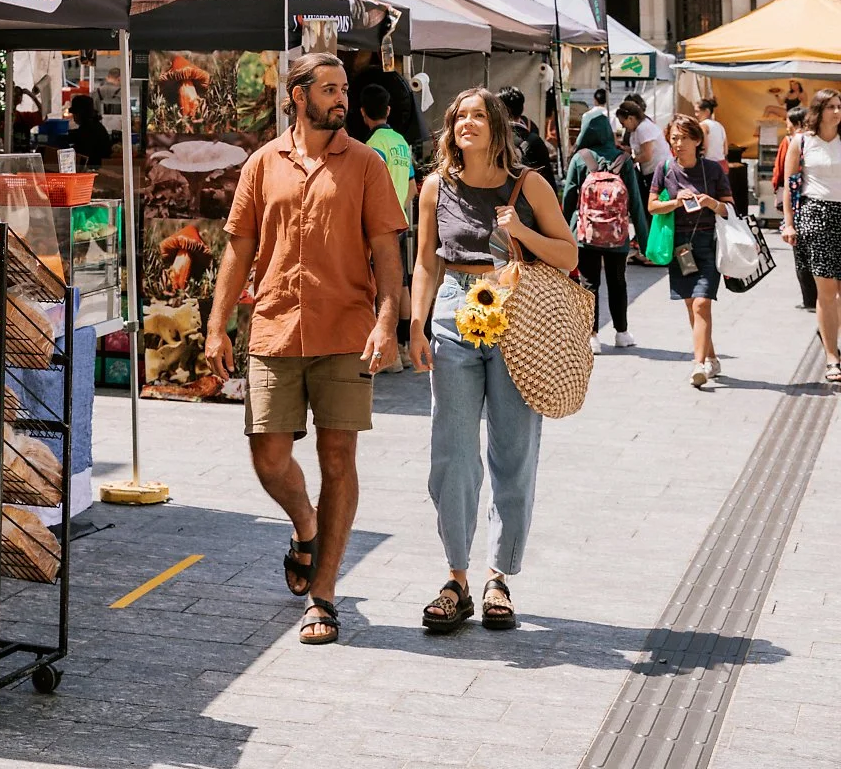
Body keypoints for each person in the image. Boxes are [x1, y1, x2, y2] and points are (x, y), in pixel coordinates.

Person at [205, 52, 406, 645]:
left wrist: (386, 322)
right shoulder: (263, 163)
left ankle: (323, 594)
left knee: (337, 459)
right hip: (272, 325)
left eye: (344, 88)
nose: (340, 98)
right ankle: (305, 524)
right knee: (267, 456)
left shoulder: (367, 163)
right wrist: (218, 325)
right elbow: (238, 249)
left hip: (346, 329)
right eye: (328, 88)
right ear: (298, 95)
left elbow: (387, 255)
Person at [409, 88, 578, 635]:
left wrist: (520, 231)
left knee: (513, 449)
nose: (467, 124)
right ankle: (456, 578)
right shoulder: (435, 187)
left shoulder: (530, 185)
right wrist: (415, 323)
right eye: (459, 117)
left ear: (497, 127)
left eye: (478, 116)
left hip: (518, 315)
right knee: (451, 451)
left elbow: (569, 253)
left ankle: (498, 576)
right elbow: (425, 265)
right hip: (454, 314)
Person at [649, 115, 733, 388]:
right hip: (680, 245)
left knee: (701, 303)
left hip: (708, 243)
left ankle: (699, 366)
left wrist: (711, 203)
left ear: (698, 140)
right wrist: (674, 202)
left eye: (684, 137)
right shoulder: (665, 168)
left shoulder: (713, 170)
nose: (679, 143)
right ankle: (711, 357)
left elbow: (731, 208)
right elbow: (651, 206)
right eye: (674, 138)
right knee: (691, 304)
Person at [561, 143, 648, 351]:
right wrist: (644, 240)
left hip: (586, 235)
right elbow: (635, 201)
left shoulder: (580, 158)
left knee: (588, 284)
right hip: (617, 236)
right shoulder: (623, 160)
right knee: (618, 282)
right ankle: (622, 333)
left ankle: (592, 336)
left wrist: (563, 232)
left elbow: (569, 196)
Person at [781, 87, 841, 383]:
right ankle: (832, 357)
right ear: (819, 111)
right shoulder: (801, 142)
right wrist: (788, 223)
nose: (837, 112)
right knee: (827, 292)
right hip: (817, 215)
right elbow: (790, 185)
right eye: (831, 107)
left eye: (839, 106)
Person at [359, 84, 415, 372]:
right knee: (401, 283)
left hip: (375, 225)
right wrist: (399, 209)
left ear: (362, 113)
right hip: (400, 223)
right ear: (389, 110)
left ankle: (384, 353)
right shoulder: (401, 143)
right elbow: (413, 187)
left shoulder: (371, 147)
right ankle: (403, 349)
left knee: (377, 285)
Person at [773, 105, 816, 310]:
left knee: (801, 253)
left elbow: (781, 170)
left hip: (797, 200)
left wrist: (777, 189)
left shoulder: (792, 141)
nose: (787, 125)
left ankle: (810, 299)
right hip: (807, 201)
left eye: (788, 121)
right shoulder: (817, 141)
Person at [497, 86, 557, 192]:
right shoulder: (535, 141)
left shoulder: (492, 139)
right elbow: (548, 181)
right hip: (528, 202)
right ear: (522, 108)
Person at [617, 97, 665, 196]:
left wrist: (631, 160)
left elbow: (647, 155)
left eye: (623, 123)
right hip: (651, 171)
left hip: (657, 172)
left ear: (631, 118)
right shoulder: (636, 130)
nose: (622, 127)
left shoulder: (643, 128)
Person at [66, 92, 113, 168]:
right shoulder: (95, 126)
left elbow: (82, 151)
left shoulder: (88, 130)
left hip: (94, 169)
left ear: (80, 114)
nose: (74, 117)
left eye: (75, 114)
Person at [574, 88, 616, 159]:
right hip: (607, 154)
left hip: (588, 153)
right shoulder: (610, 116)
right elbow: (614, 139)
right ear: (606, 101)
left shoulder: (586, 115)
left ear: (595, 100)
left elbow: (582, 136)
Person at [694, 96, 729, 166]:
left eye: (697, 111)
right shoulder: (720, 126)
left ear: (707, 111)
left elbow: (704, 148)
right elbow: (725, 151)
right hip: (722, 164)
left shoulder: (703, 125)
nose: (696, 115)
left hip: (709, 165)